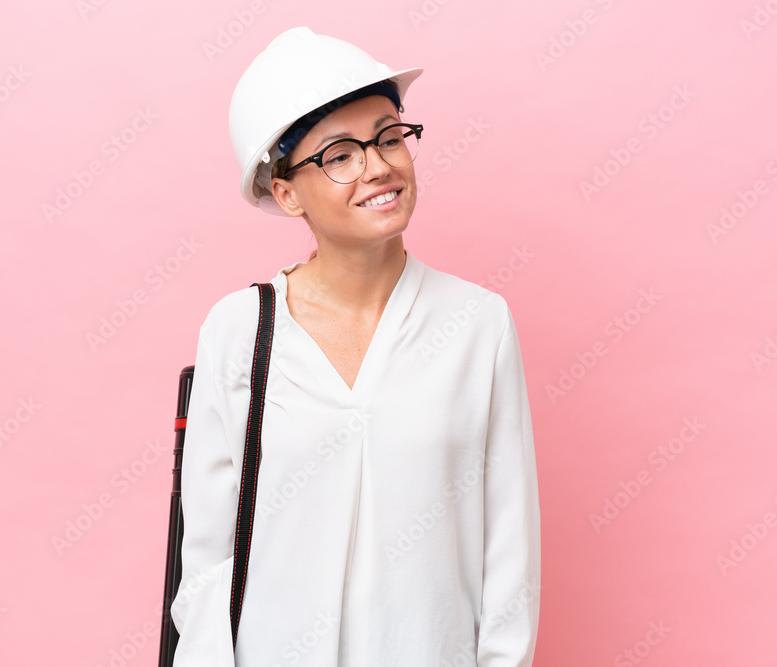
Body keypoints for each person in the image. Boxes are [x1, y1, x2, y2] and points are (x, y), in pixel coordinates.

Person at [170, 26, 541, 666]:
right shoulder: (240, 332)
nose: (379, 166)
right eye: (340, 154)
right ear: (286, 193)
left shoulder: (478, 324)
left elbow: (509, 548)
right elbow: (206, 563)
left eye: (390, 135)